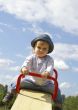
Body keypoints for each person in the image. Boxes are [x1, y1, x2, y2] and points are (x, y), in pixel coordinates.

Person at [2, 33, 63, 110]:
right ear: (34, 48)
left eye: (44, 49)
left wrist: (47, 72)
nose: (41, 50)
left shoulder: (49, 59)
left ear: (48, 50)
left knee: (57, 91)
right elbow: (25, 64)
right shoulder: (31, 57)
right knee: (15, 82)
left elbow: (50, 68)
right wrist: (24, 69)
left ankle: (58, 105)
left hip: (46, 84)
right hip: (31, 82)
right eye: (39, 47)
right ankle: (10, 94)